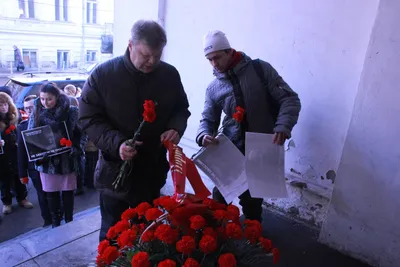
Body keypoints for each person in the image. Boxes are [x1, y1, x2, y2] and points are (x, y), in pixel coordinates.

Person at [79, 19, 191, 242]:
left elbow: (181, 109)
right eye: (146, 55)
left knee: (146, 231)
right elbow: (88, 118)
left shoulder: (169, 75)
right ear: (131, 45)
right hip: (114, 172)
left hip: (152, 170)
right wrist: (117, 143)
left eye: (158, 56)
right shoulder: (103, 75)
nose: (153, 61)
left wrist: (175, 128)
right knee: (113, 233)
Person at [196, 30, 301, 222]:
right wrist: (203, 134)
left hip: (262, 146)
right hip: (231, 149)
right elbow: (208, 118)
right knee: (220, 197)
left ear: (229, 51)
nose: (214, 64)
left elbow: (289, 99)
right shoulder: (213, 88)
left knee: (252, 201)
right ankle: (214, 241)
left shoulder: (260, 70)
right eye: (209, 59)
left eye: (217, 57)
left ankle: (253, 243)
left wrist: (282, 126)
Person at [28, 82, 80, 227]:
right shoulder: (36, 111)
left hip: (67, 159)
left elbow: (81, 133)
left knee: (68, 192)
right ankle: (55, 222)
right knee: (51, 193)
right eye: (43, 99)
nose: (45, 102)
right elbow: (31, 136)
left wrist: (76, 147)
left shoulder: (72, 111)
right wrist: (38, 154)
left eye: (49, 99)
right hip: (47, 162)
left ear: (57, 96)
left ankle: (69, 220)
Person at [17, 95, 52, 227]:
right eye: (26, 109)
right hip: (34, 168)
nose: (29, 111)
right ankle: (47, 220)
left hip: (50, 165)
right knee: (41, 194)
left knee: (53, 193)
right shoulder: (22, 127)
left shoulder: (48, 122)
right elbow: (20, 152)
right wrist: (22, 174)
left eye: (32, 107)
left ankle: (57, 216)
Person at [0, 92, 33, 214]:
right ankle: (7, 202)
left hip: (15, 152)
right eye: (1, 105)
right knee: (4, 180)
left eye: (5, 104)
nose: (3, 107)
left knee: (19, 176)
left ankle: (22, 198)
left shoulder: (13, 118)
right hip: (2, 156)